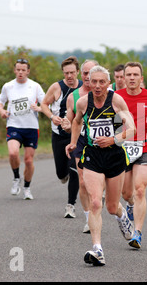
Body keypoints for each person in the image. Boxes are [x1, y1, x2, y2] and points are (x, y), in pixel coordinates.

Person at [65, 65, 136, 266]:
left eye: (101, 82)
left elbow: (131, 129)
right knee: (96, 202)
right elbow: (77, 122)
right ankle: (98, 249)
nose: (96, 86)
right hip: (93, 155)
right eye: (93, 81)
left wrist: (113, 139)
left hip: (114, 155)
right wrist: (73, 141)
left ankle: (123, 218)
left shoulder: (116, 100)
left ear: (108, 84)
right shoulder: (82, 102)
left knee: (112, 207)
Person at [116, 61, 147, 249]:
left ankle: (137, 233)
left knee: (139, 189)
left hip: (143, 147)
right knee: (126, 193)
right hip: (122, 148)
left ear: (141, 78)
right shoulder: (116, 96)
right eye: (128, 75)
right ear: (123, 77)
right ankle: (129, 205)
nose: (131, 78)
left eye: (135, 75)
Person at [0, 58, 45, 200]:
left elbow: (46, 103)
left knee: (29, 160)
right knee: (13, 153)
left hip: (31, 127)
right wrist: (2, 110)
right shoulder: (8, 86)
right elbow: (0, 101)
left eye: (23, 70)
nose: (20, 72)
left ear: (28, 71)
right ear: (14, 70)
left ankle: (27, 188)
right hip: (14, 125)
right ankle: (16, 178)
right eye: (18, 69)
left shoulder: (35, 86)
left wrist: (40, 108)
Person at [41, 56, 82, 218]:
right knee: (61, 172)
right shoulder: (56, 87)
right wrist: (52, 116)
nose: (70, 76)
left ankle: (70, 205)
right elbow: (44, 104)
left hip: (76, 135)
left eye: (72, 72)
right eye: (66, 73)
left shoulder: (83, 88)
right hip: (59, 134)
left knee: (75, 169)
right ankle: (62, 174)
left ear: (78, 72)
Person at [62, 59, 99, 233]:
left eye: (90, 73)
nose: (87, 76)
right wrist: (67, 125)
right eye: (84, 73)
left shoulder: (108, 93)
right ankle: (88, 218)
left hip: (101, 142)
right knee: (83, 181)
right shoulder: (73, 96)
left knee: (98, 182)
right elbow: (70, 120)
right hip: (82, 141)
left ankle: (99, 201)